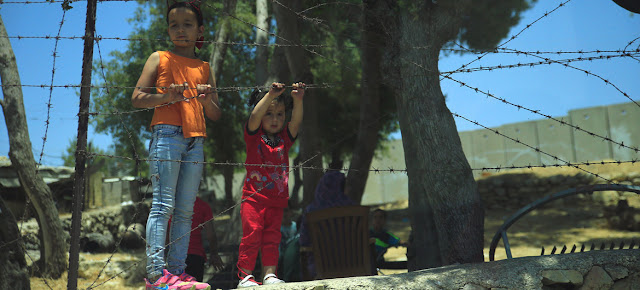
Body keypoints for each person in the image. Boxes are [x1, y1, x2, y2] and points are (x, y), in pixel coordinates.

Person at [131, 1, 221, 289]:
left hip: (196, 140)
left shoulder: (204, 67)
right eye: (174, 25)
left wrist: (206, 101)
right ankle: (158, 274)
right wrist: (165, 98)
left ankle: (179, 273)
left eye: (187, 24)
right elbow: (136, 97)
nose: (180, 30)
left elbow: (217, 112)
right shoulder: (159, 58)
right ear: (168, 30)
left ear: (200, 30)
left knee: (185, 211)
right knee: (162, 206)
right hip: (167, 135)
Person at [236, 82, 305, 288]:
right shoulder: (253, 137)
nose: (275, 120)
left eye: (280, 114)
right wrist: (270, 96)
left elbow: (296, 121)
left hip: (276, 201)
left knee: (272, 239)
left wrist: (298, 100)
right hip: (253, 199)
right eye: (269, 114)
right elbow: (254, 117)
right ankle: (245, 277)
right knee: (252, 235)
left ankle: (269, 276)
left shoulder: (285, 140)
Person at [298, 163, 355, 280]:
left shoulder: (311, 211)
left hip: (321, 267)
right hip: (353, 262)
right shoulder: (353, 209)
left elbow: (303, 241)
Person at [169, 197, 225, 282]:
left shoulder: (171, 206)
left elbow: (165, 233)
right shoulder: (203, 205)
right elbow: (211, 235)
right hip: (196, 256)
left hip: (176, 256)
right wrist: (214, 253)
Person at [278, 206, 301, 282]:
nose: (284, 214)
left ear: (291, 212)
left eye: (286, 211)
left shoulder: (296, 226)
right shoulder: (276, 229)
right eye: (281, 211)